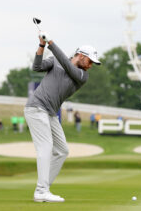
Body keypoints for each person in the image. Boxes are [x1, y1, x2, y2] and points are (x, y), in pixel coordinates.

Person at [24, 32, 101, 203]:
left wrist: (51, 42)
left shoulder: (82, 76)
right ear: (81, 56)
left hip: (50, 113)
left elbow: (67, 64)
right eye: (90, 61)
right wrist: (42, 46)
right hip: (37, 107)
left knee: (62, 150)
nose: (90, 66)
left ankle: (43, 188)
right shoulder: (56, 61)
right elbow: (37, 67)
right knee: (46, 147)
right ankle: (42, 191)